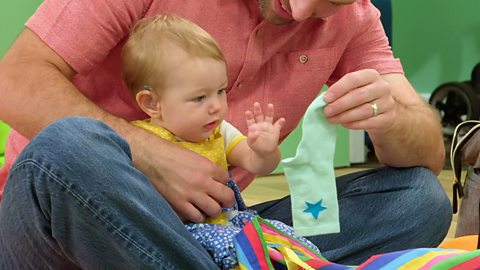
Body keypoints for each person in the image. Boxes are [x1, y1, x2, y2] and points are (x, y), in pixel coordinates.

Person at [0, 0, 451, 268]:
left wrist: (391, 118)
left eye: (331, 1)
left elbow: (428, 153)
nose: (300, 12)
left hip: (214, 230)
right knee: (65, 146)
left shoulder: (354, 17)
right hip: (66, 225)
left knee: (417, 197)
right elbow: (14, 80)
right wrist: (150, 157)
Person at [121, 14, 319, 268]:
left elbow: (257, 163)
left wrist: (265, 150)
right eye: (199, 98)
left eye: (221, 91)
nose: (216, 106)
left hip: (228, 222)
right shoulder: (140, 144)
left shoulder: (219, 132)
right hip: (176, 236)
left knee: (283, 236)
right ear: (152, 104)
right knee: (236, 252)